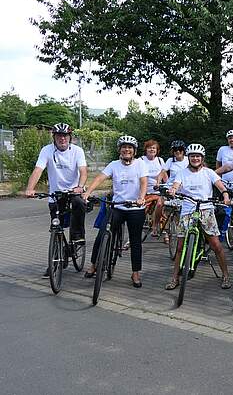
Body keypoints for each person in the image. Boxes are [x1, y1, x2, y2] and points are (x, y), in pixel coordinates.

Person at [82, 135, 148, 288]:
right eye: (124, 147)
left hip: (135, 208)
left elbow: (143, 181)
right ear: (120, 150)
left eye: (130, 147)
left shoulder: (140, 164)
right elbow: (100, 178)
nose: (127, 150)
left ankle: (135, 272)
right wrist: (87, 192)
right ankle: (94, 264)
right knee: (102, 233)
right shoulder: (114, 165)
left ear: (134, 151)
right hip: (117, 206)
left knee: (135, 241)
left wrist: (141, 197)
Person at [164, 144, 232, 290]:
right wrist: (173, 190)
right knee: (180, 247)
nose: (195, 158)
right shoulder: (182, 173)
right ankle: (174, 278)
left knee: (216, 245)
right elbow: (176, 185)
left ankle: (225, 275)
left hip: (206, 210)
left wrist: (225, 195)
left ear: (202, 158)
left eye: (198, 156)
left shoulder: (209, 172)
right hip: (187, 210)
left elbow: (220, 186)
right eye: (193, 156)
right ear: (188, 158)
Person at [25, 123, 88, 278]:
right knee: (56, 227)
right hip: (56, 194)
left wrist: (80, 186)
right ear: (54, 137)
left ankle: (77, 237)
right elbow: (38, 170)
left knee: (79, 204)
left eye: (65, 135)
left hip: (73, 192)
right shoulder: (46, 150)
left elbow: (83, 171)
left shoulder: (77, 151)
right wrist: (30, 188)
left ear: (69, 137)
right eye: (59, 135)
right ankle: (56, 261)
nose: (62, 138)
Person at [141, 139, 166, 239]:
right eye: (149, 147)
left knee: (161, 205)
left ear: (157, 150)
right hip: (145, 191)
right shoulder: (141, 160)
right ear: (146, 149)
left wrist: (168, 186)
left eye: (154, 148)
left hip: (158, 191)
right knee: (141, 210)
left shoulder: (160, 160)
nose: (152, 149)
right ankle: (134, 235)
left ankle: (156, 226)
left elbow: (164, 175)